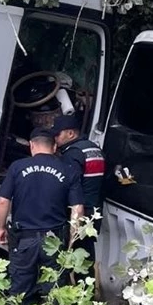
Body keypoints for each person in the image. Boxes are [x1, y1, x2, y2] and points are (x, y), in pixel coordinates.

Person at [0, 127, 84, 305]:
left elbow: (3, 202)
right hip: (54, 239)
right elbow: (78, 209)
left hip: (24, 238)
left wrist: (1, 227)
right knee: (55, 288)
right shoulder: (69, 170)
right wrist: (71, 240)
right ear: (54, 147)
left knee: (20, 288)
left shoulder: (17, 167)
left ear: (31, 146)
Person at [51, 114, 106, 279]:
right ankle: (86, 294)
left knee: (68, 256)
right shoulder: (93, 148)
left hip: (78, 212)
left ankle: (68, 295)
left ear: (70, 133)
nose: (55, 138)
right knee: (86, 256)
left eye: (57, 134)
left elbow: (69, 184)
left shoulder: (72, 153)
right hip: (94, 211)